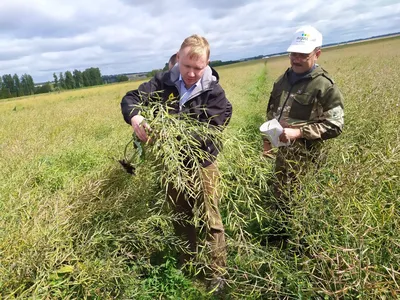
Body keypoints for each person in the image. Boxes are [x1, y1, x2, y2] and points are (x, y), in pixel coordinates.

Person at [121, 34, 232, 292]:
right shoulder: (163, 81)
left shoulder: (214, 92)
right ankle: (188, 264)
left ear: (207, 63)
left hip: (202, 162)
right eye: (187, 66)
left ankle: (218, 274)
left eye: (198, 67)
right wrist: (136, 117)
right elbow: (130, 98)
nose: (191, 73)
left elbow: (210, 131)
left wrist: (170, 135)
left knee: (210, 217)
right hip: (172, 165)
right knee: (180, 215)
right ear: (178, 58)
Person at [263, 26, 344, 228]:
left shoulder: (324, 86)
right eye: (293, 54)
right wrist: (267, 141)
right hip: (282, 156)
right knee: (280, 198)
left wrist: (299, 132)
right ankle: (280, 235)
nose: (296, 59)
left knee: (303, 204)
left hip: (307, 161)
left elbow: (336, 125)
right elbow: (271, 114)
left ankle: (302, 247)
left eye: (303, 55)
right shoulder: (281, 81)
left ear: (317, 54)